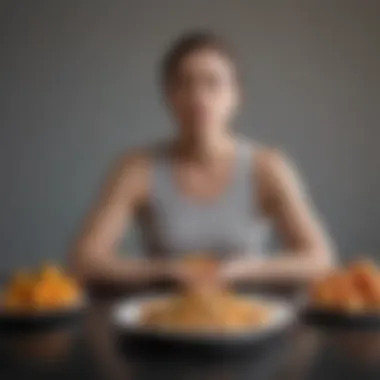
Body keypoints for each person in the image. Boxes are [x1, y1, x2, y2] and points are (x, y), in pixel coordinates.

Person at [71, 32, 334, 287]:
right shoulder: (137, 168)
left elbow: (320, 260)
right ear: (169, 96)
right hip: (162, 317)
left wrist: (241, 270)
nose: (199, 98)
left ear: (235, 96)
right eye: (185, 84)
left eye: (213, 83)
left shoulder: (268, 166)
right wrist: (168, 270)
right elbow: (84, 260)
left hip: (248, 316)